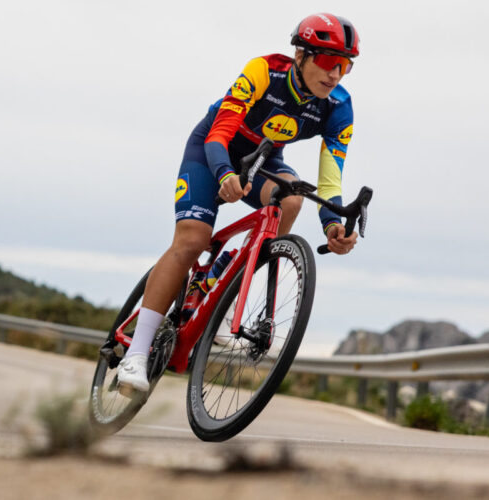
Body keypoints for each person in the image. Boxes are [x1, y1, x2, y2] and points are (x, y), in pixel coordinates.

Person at [117, 13, 361, 395]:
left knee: (292, 197)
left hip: (262, 159)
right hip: (211, 149)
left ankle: (228, 283)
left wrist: (334, 224)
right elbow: (219, 134)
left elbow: (330, 179)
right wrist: (224, 174)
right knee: (193, 240)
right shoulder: (265, 71)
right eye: (330, 62)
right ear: (301, 54)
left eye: (345, 67)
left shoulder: (338, 108)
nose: (336, 75)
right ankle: (137, 350)